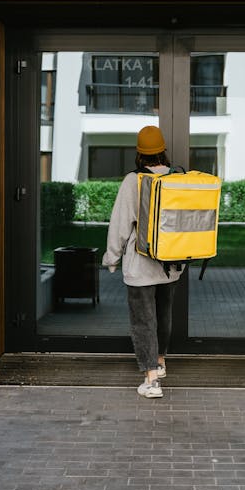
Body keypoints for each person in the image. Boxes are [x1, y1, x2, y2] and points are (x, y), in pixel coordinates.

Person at [102, 125, 182, 398]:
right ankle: (159, 362)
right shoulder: (176, 179)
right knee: (163, 315)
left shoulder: (133, 181)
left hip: (140, 267)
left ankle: (151, 381)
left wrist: (111, 258)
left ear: (140, 154)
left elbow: (120, 224)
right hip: (170, 265)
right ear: (162, 151)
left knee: (143, 321)